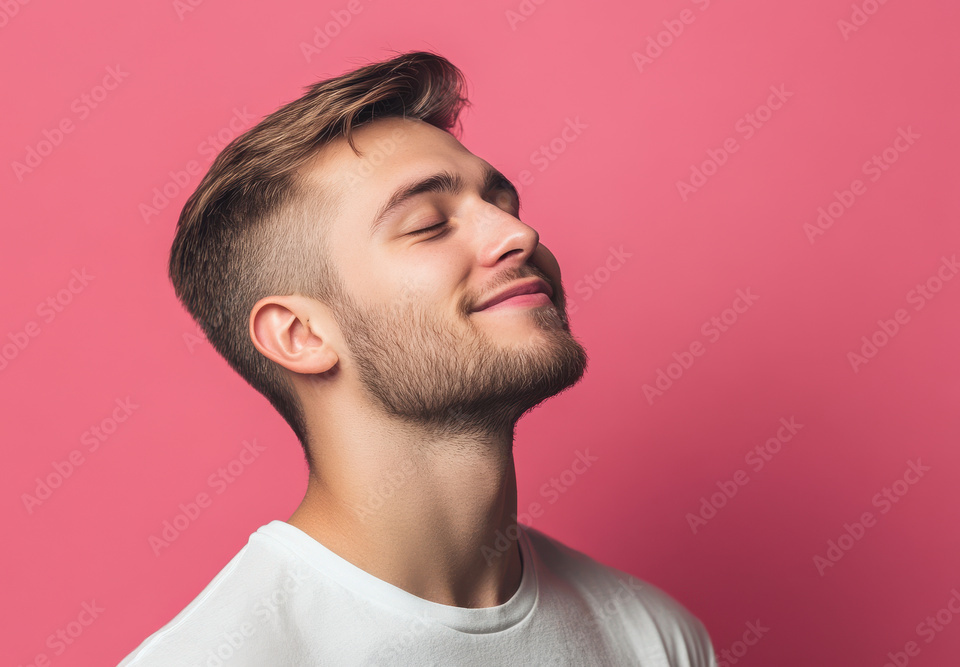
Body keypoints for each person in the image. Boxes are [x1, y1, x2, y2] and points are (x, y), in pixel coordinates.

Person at [120, 50, 717, 666]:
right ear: (300, 334)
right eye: (429, 224)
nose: (519, 236)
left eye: (503, 205)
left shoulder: (652, 637)